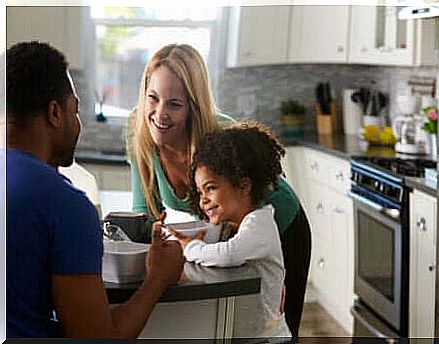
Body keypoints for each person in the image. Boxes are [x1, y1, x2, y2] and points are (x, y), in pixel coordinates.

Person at [128, 43, 311, 338]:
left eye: (174, 104)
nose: (159, 114)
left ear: (192, 107)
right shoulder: (140, 131)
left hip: (280, 223)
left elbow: (251, 203)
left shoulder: (218, 137)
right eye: (153, 98)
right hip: (234, 233)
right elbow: (144, 216)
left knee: (276, 328)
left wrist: (273, 273)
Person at [6, 41, 184, 339]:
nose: (78, 124)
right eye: (74, 111)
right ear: (55, 113)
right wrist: (158, 277)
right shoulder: (65, 206)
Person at [166, 122, 291, 339]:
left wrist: (190, 247)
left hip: (268, 338)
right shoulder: (232, 224)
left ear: (243, 186)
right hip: (249, 335)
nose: (203, 200)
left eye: (211, 188)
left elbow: (229, 254)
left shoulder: (259, 224)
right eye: (199, 191)